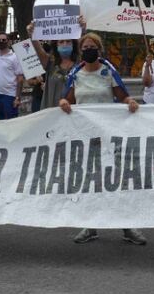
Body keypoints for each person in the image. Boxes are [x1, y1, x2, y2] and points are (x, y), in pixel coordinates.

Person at [59, 32, 145, 245]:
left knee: (117, 178)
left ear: (99, 49)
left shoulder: (108, 71)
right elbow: (66, 97)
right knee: (90, 180)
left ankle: (127, 226)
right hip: (86, 135)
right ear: (81, 51)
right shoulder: (75, 73)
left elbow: (122, 95)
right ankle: (90, 225)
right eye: (85, 47)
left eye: (92, 47)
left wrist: (130, 101)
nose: (89, 49)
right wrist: (63, 102)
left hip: (109, 134)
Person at [26, 17, 86, 111]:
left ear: (73, 44)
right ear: (56, 45)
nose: (65, 44)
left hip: (74, 113)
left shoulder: (79, 64)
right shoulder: (50, 63)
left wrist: (82, 29)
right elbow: (38, 50)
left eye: (68, 41)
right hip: (52, 114)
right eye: (61, 42)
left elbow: (83, 44)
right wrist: (32, 34)